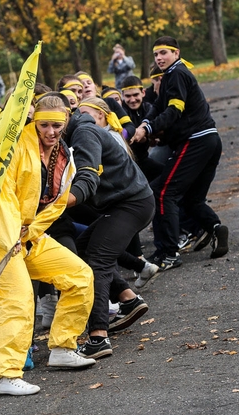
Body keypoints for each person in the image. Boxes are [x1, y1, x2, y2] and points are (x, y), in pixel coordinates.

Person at [0, 95, 96, 396]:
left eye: (56, 125)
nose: (50, 131)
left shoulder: (65, 154)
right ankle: (6, 374)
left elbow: (58, 202)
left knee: (80, 275)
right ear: (34, 121)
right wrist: (12, 235)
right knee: (19, 298)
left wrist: (29, 232)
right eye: (44, 125)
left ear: (66, 122)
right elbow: (3, 195)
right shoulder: (13, 146)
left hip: (27, 235)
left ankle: (63, 347)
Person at [64, 102, 157, 359]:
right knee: (83, 248)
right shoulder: (73, 132)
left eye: (54, 123)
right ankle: (129, 299)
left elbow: (87, 174)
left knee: (98, 261)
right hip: (121, 203)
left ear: (65, 116)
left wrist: (63, 199)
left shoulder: (83, 133)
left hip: (132, 203)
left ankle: (98, 337)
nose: (49, 129)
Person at [131, 36, 229, 272]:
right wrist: (147, 125)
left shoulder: (176, 73)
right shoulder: (171, 76)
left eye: (163, 53)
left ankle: (168, 253)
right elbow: (158, 108)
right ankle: (215, 228)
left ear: (176, 53)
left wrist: (148, 129)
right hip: (210, 139)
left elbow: (175, 110)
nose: (159, 58)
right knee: (191, 198)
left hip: (196, 141)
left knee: (163, 192)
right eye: (156, 55)